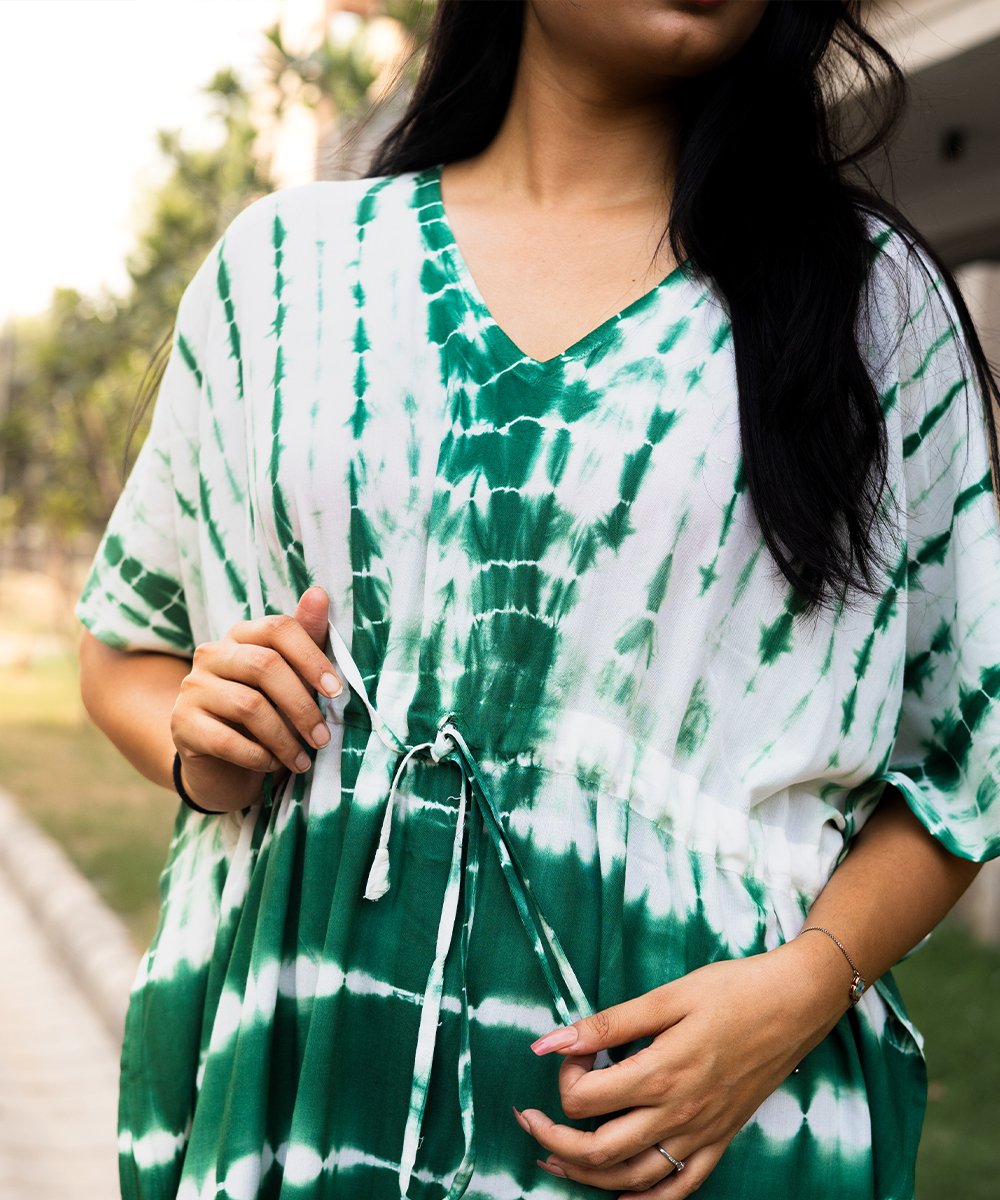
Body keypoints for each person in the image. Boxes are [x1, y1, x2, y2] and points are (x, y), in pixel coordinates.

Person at [76, 1, 1000, 1197]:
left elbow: (963, 761)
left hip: (695, 1135)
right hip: (310, 1092)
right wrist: (203, 742)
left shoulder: (868, 304)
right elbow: (127, 653)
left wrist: (800, 990)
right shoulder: (283, 272)